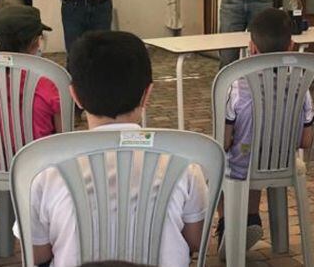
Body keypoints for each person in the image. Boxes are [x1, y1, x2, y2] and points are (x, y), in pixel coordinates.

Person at [18, 31, 208, 267]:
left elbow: (36, 254)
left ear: (74, 96)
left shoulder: (44, 169)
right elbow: (197, 240)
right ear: (147, 94)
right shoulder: (184, 163)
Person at [215, 8, 314, 253]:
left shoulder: (236, 85)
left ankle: (228, 224)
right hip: (282, 162)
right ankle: (251, 219)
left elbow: (225, 140)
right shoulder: (301, 85)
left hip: (243, 164)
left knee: (221, 161)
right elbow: (306, 140)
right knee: (258, 158)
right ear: (291, 45)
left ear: (251, 48)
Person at [0, 4, 62, 151]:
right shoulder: (48, 85)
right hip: (42, 168)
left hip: (1, 170)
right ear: (34, 42)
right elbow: (62, 139)